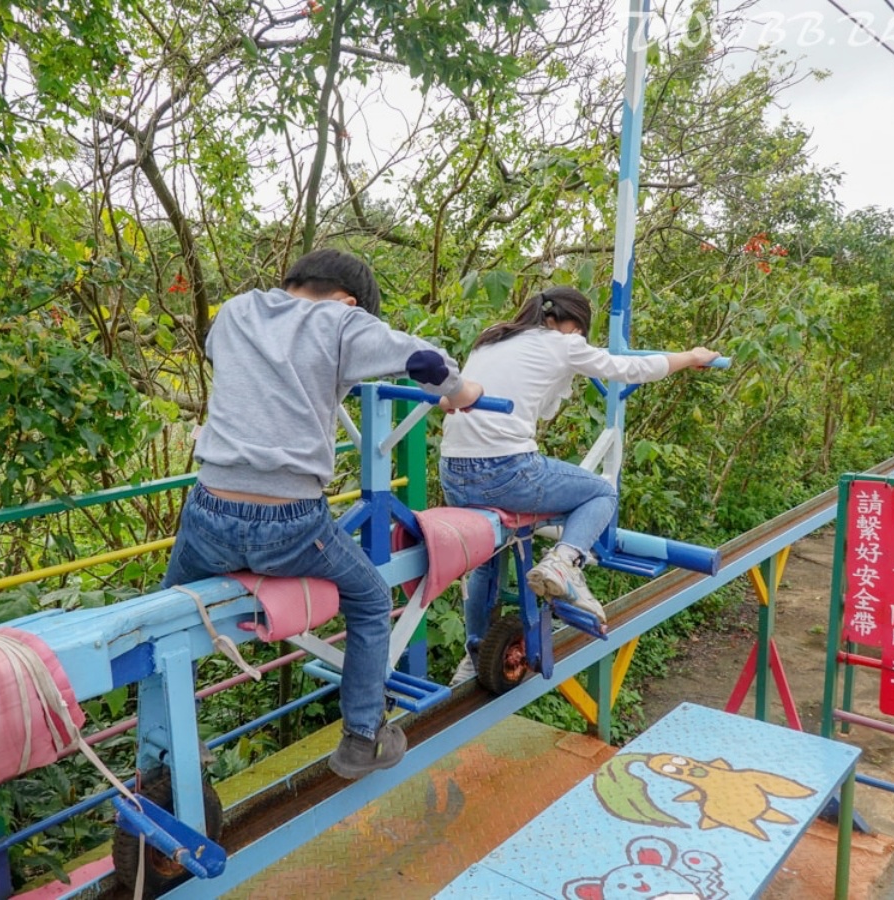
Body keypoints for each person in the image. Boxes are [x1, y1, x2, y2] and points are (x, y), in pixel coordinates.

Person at [162, 248, 483, 779]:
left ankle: (172, 757)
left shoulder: (237, 310)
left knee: (168, 618)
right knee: (370, 595)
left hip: (209, 513)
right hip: (289, 525)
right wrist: (462, 392)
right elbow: (426, 362)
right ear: (349, 302)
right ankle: (363, 736)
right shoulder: (340, 319)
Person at [439, 286, 720, 685]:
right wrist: (692, 357)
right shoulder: (563, 344)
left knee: (490, 556)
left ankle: (474, 655)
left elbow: (541, 401)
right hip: (505, 471)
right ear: (573, 325)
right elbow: (630, 369)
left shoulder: (492, 339)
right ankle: (564, 560)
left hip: (453, 472)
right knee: (601, 491)